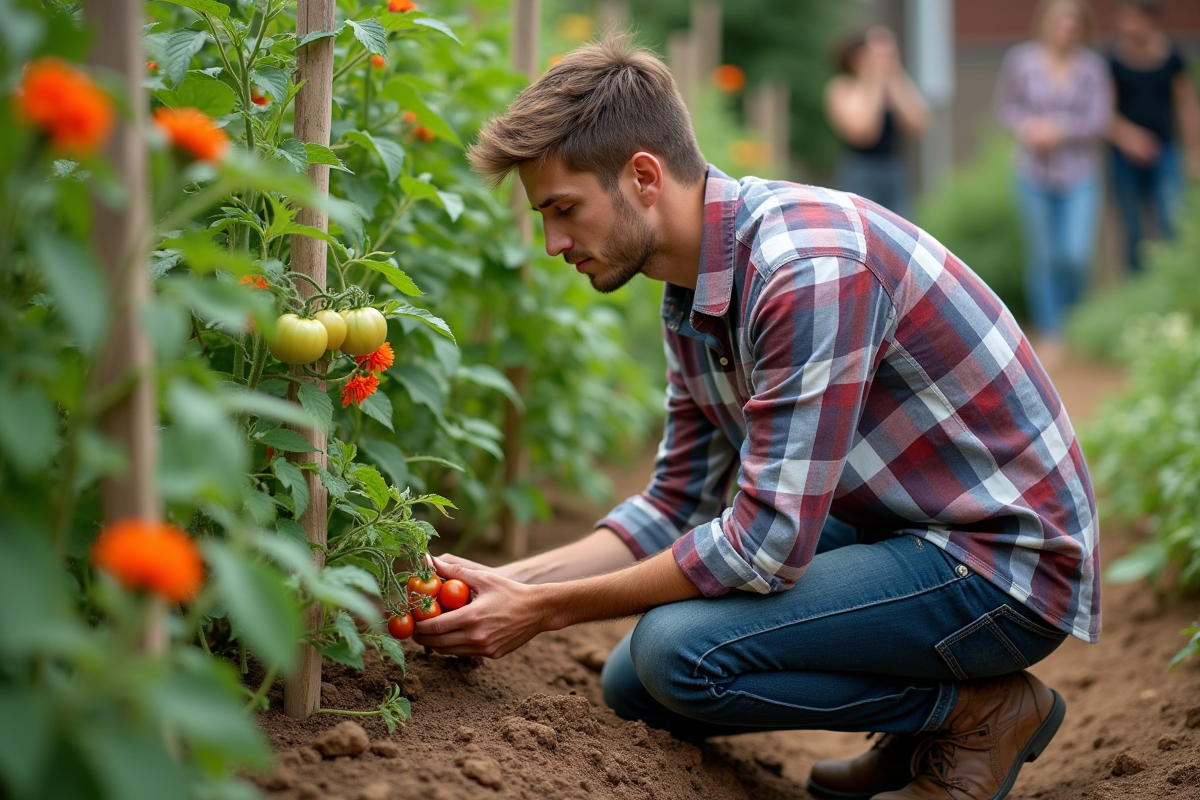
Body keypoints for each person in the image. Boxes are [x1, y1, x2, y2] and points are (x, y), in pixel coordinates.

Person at [416, 36, 1099, 800]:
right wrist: (506, 581)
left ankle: (975, 711)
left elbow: (764, 546)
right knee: (633, 684)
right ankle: (928, 722)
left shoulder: (805, 269)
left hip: (1001, 565)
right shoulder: (692, 295)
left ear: (643, 175)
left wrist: (542, 611)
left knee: (678, 653)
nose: (553, 244)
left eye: (564, 210)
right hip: (905, 526)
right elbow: (677, 503)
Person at [994, 0, 1112, 365]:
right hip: (1033, 172)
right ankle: (1052, 332)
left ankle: (1073, 321)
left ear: (1081, 28)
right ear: (1045, 23)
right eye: (1060, 21)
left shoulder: (1093, 67)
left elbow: (1100, 117)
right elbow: (1006, 108)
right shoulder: (1021, 61)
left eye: (1073, 23)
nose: (1066, 29)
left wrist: (1060, 130)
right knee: (1043, 255)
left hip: (1079, 173)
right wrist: (1028, 128)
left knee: (1075, 254)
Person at [1106, 0, 1200, 273]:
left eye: (1135, 19)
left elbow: (1186, 106)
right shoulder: (1112, 59)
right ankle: (1136, 290)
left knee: (1172, 222)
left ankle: (1170, 282)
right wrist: (1129, 138)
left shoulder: (1172, 56)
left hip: (1165, 151)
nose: (1129, 27)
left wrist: (1194, 153)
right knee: (1133, 230)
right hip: (1125, 157)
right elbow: (1104, 113)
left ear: (1152, 20)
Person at [824, 26, 928, 219]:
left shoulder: (895, 85)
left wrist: (894, 75)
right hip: (860, 169)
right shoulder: (842, 87)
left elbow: (919, 124)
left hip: (894, 168)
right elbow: (863, 133)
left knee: (900, 231)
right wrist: (874, 80)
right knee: (860, 225)